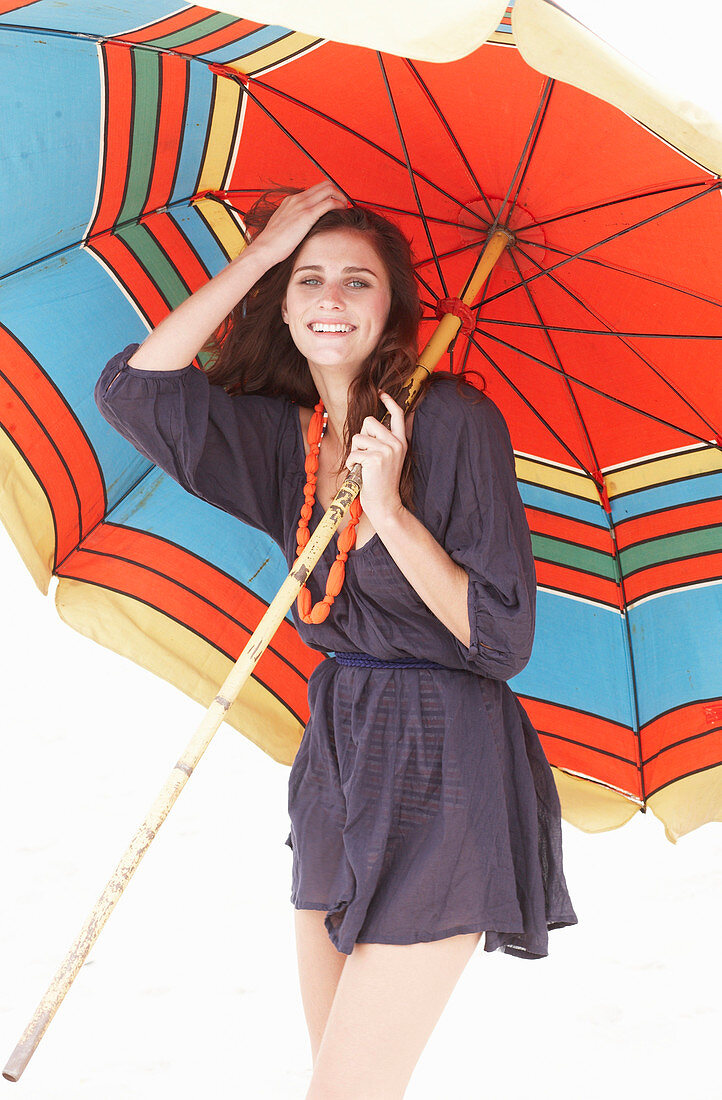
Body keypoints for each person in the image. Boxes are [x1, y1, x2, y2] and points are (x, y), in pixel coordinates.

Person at [95, 181, 578, 1098]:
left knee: (345, 1091)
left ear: (392, 306)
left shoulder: (454, 420)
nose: (329, 299)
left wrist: (389, 509)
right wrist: (259, 253)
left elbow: (501, 639)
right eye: (308, 278)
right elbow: (136, 389)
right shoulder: (286, 437)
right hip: (340, 750)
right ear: (280, 301)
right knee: (343, 1080)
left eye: (357, 282)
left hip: (448, 759)